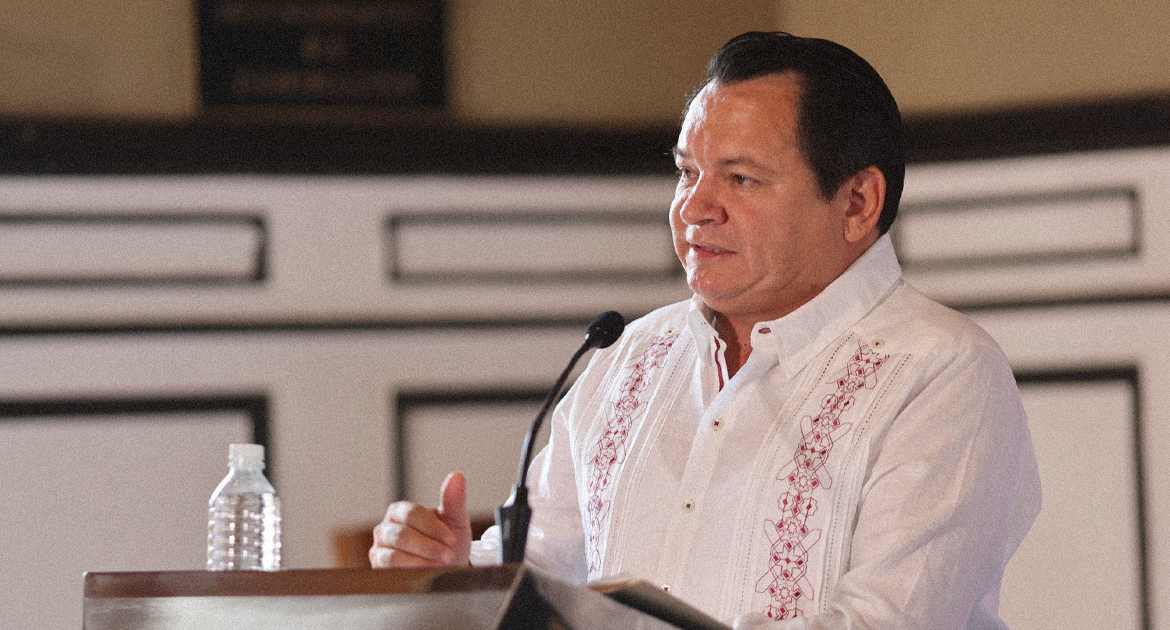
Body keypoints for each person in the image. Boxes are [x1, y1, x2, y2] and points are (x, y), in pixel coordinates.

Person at [371, 31, 1041, 629]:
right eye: (686, 173)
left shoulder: (943, 371)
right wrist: (455, 574)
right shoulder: (628, 354)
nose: (694, 208)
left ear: (858, 202)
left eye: (741, 179)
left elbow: (886, 622)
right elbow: (545, 574)